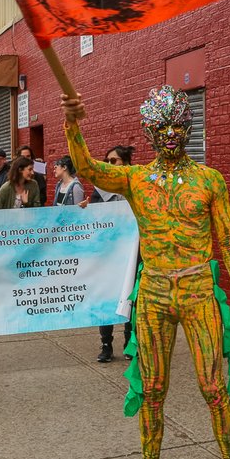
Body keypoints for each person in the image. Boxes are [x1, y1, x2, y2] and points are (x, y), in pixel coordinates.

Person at [62, 85, 230, 459]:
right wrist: (73, 124)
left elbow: (228, 237)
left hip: (200, 290)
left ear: (189, 128)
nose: (170, 135)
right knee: (152, 387)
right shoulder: (136, 178)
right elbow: (87, 168)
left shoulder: (209, 180)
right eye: (161, 127)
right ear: (149, 132)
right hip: (154, 294)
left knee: (213, 386)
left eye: (177, 126)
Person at [94, 145, 135, 363]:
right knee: (106, 298)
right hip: (107, 254)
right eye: (107, 161)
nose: (110, 165)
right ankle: (106, 345)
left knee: (130, 297)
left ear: (126, 162)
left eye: (115, 161)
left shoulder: (137, 185)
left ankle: (130, 343)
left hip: (132, 252)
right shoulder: (100, 188)